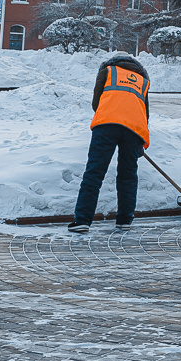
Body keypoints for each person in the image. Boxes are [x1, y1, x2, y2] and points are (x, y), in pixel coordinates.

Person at [68, 53, 151, 234]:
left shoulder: (107, 71)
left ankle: (82, 220)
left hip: (107, 125)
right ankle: (124, 220)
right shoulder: (142, 80)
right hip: (134, 129)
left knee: (94, 172)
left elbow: (96, 103)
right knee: (128, 175)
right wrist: (140, 141)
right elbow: (145, 112)